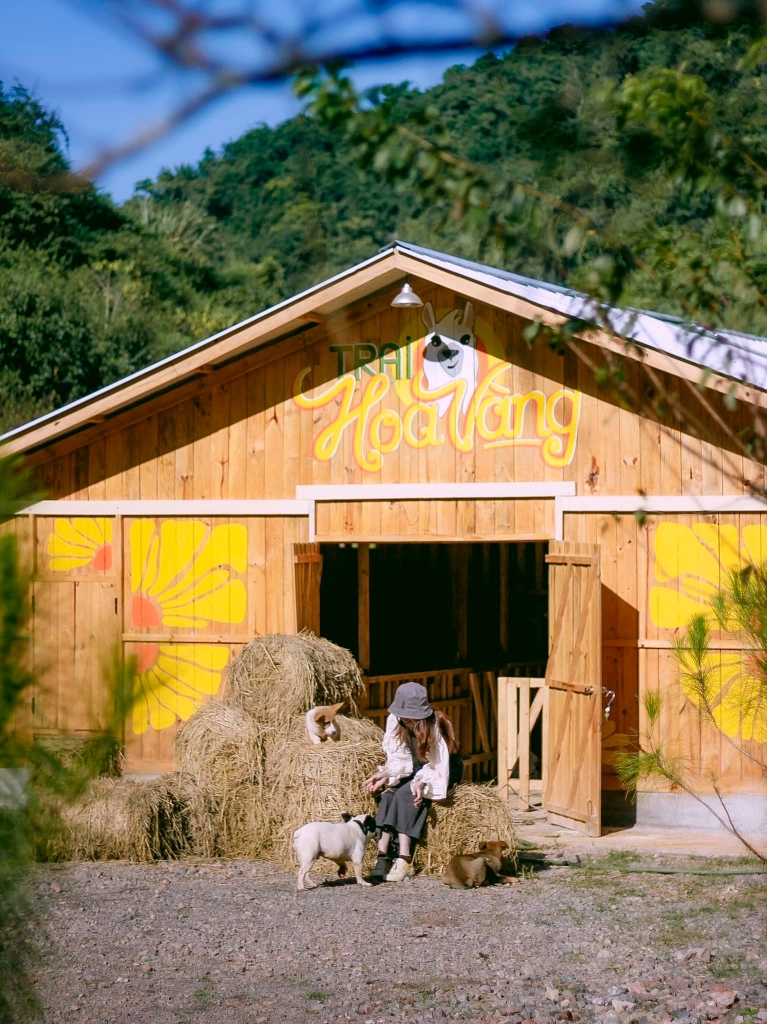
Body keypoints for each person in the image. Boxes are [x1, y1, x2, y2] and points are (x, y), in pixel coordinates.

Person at [363, 681, 460, 882]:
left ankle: (405, 858)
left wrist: (420, 783)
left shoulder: (438, 724)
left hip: (441, 769)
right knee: (389, 794)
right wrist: (387, 774)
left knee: (406, 794)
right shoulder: (395, 720)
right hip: (414, 768)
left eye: (411, 717)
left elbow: (438, 766)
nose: (406, 720)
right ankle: (382, 855)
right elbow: (401, 759)